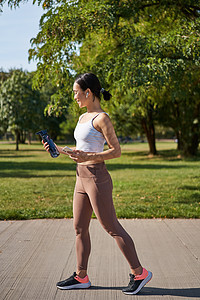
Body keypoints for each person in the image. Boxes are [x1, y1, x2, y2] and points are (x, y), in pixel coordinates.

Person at [43, 73, 152, 295]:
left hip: (96, 178)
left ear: (88, 92)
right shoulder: (83, 117)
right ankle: (81, 276)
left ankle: (140, 273)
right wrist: (59, 149)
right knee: (79, 228)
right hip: (80, 177)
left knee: (111, 227)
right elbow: (81, 149)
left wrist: (89, 157)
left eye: (76, 92)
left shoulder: (102, 118)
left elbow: (116, 151)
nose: (74, 97)